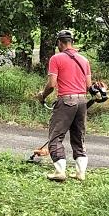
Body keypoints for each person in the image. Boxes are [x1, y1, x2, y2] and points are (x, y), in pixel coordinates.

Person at [37, 29, 92, 181]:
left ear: (59, 43)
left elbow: (51, 85)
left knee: (55, 137)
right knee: (78, 137)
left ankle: (60, 172)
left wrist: (42, 95)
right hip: (82, 101)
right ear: (72, 42)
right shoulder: (84, 60)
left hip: (66, 100)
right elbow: (89, 86)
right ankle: (80, 173)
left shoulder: (56, 58)